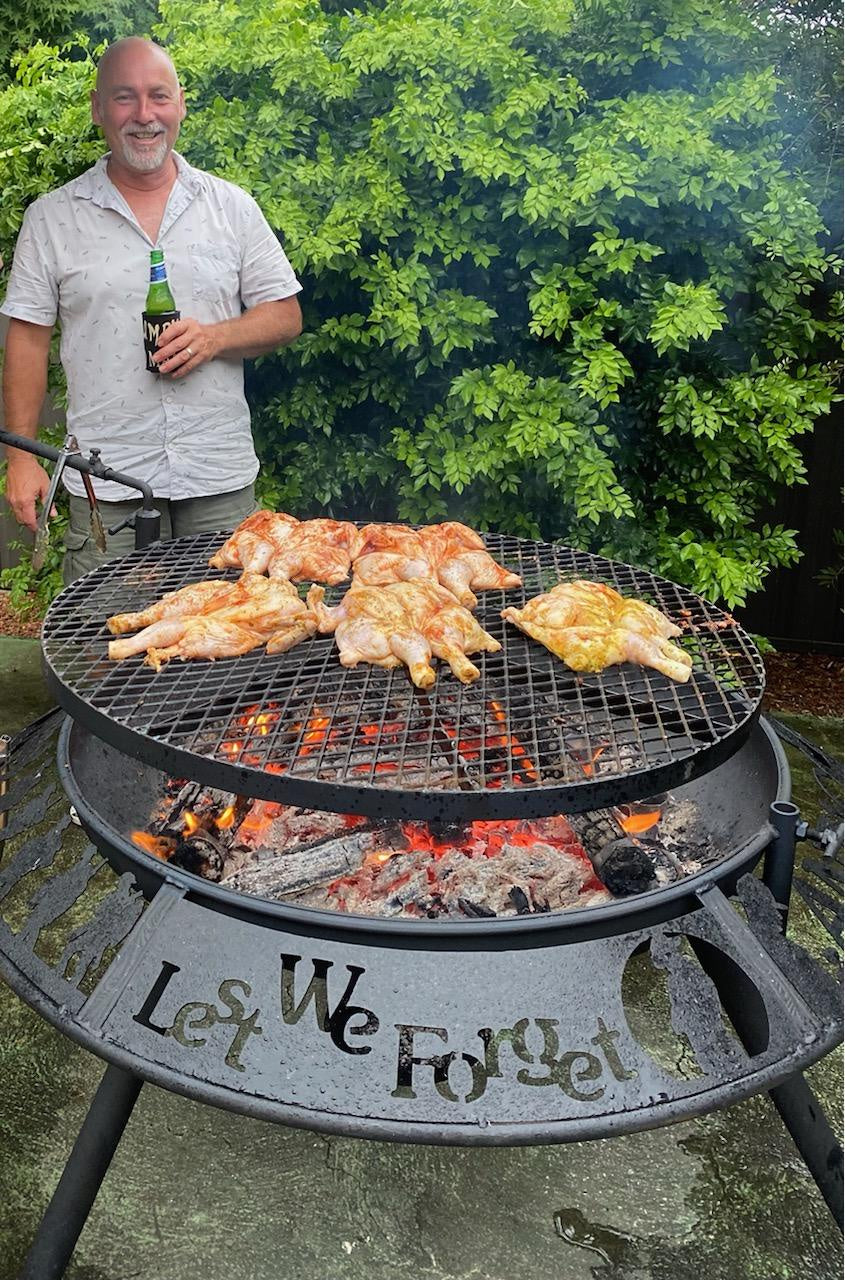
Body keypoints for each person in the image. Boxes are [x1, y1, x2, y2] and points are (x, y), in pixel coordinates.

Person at [1, 37, 303, 583]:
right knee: (106, 645)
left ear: (180, 104)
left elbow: (285, 314)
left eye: (158, 96)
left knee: (227, 640)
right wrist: (21, 458)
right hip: (106, 482)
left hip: (218, 477)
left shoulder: (231, 207)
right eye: (125, 98)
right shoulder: (51, 218)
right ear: (98, 108)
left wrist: (214, 338)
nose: (144, 115)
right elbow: (27, 337)